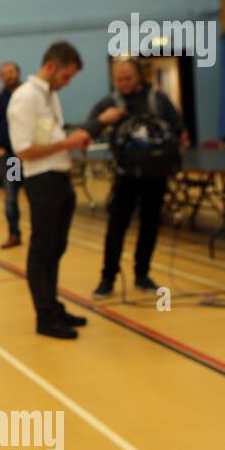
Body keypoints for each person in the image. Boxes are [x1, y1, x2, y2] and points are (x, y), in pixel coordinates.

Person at [7, 41, 91, 339]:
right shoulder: (25, 97)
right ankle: (44, 317)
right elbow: (24, 150)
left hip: (60, 177)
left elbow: (48, 136)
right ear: (51, 66)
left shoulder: (50, 96)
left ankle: (53, 305)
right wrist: (67, 143)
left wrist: (69, 143)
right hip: (41, 181)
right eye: (66, 76)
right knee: (42, 249)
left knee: (56, 248)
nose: (67, 83)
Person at [83, 57, 186, 296]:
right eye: (119, 79)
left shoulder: (158, 100)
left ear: (139, 76)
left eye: (128, 78)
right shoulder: (109, 103)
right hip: (125, 176)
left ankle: (143, 273)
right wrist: (104, 121)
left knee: (150, 225)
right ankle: (108, 276)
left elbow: (178, 130)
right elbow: (89, 129)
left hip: (155, 174)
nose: (124, 83)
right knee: (116, 227)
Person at [0, 61, 23, 248]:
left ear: (18, 73)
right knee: (11, 196)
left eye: (11, 72)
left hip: (32, 155)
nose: (8, 76)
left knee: (36, 196)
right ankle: (14, 233)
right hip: (12, 158)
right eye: (4, 73)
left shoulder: (29, 95)